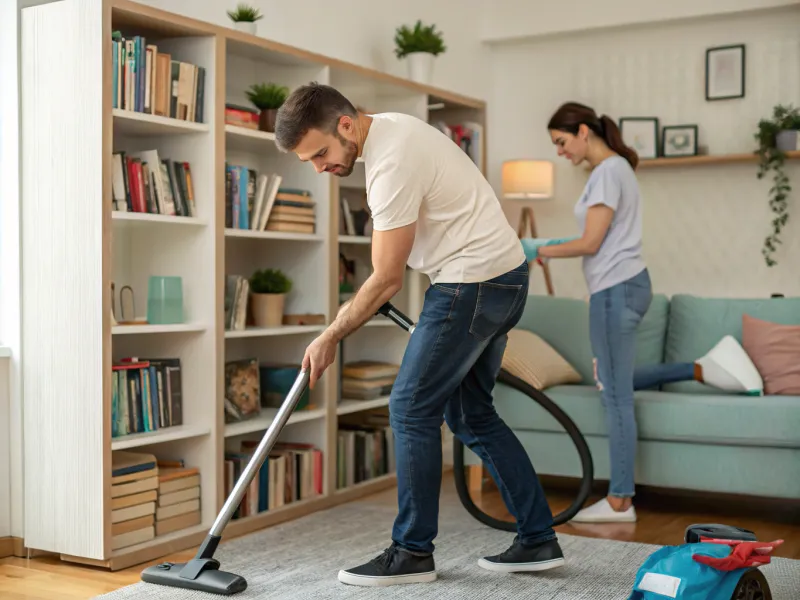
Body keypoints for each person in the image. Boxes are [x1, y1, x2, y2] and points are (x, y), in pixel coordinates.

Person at [273, 83, 565, 586]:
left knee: (410, 409)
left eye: (320, 153)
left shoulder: (390, 162)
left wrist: (329, 336)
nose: (319, 167)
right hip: (505, 277)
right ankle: (538, 538)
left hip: (470, 283)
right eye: (309, 161)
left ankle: (411, 552)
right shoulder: (392, 132)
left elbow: (386, 277)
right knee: (471, 414)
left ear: (346, 125)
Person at [531, 101, 751, 524]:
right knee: (611, 379)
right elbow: (594, 237)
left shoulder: (608, 172)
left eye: (561, 142)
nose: (560, 152)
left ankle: (619, 501)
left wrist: (537, 250)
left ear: (582, 131)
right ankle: (697, 369)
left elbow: (590, 242)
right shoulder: (616, 171)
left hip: (615, 292)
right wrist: (547, 247)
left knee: (614, 396)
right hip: (624, 287)